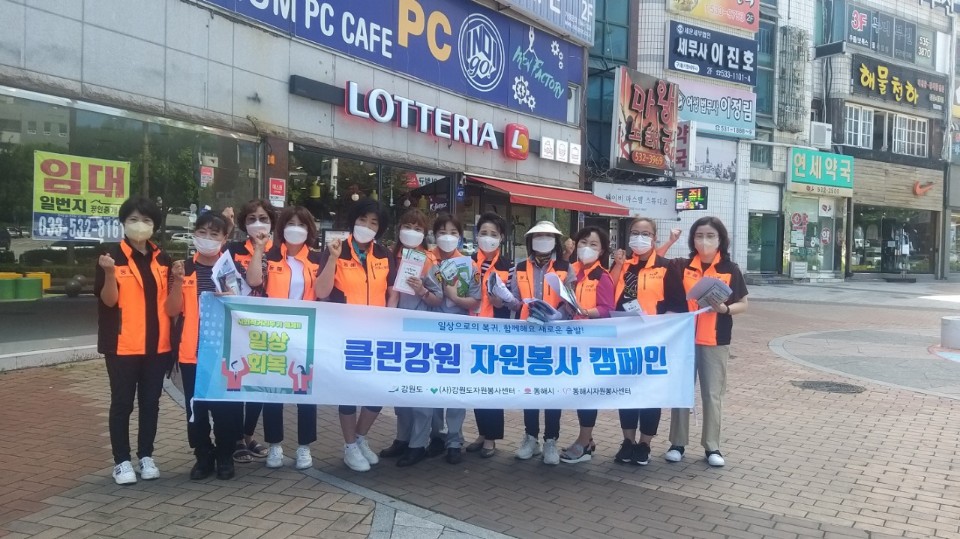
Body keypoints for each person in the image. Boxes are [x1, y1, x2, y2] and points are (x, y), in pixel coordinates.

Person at [315, 199, 397, 472]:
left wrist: (389, 320)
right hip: (346, 335)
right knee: (348, 392)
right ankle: (350, 445)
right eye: (363, 220)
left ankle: (360, 437)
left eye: (374, 222)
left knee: (377, 392)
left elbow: (392, 293)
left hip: (378, 335)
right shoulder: (336, 250)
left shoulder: (384, 254)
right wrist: (333, 258)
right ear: (353, 221)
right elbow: (322, 292)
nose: (367, 226)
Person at [95, 197, 171, 485]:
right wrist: (109, 273)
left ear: (155, 226)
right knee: (122, 403)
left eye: (147, 220)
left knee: (151, 403)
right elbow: (108, 301)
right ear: (123, 222)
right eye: (134, 219)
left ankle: (146, 456)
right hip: (122, 345)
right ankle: (122, 461)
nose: (140, 225)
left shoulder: (162, 259)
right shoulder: (110, 256)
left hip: (156, 346)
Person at [663, 216, 748, 467]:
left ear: (721, 239)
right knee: (682, 391)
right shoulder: (682, 266)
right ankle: (677, 443)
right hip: (684, 339)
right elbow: (670, 296)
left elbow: (743, 304)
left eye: (710, 236)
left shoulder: (730, 269)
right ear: (692, 239)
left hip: (716, 339)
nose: (704, 241)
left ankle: (712, 446)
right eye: (699, 236)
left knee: (712, 394)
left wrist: (724, 309)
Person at [166, 212, 243, 480]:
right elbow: (172, 310)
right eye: (202, 232)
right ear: (194, 234)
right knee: (196, 409)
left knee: (224, 409)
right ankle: (203, 455)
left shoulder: (230, 268)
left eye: (214, 234)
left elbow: (243, 310)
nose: (207, 238)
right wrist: (177, 281)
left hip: (224, 353)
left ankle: (225, 456)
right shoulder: (182, 269)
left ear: (224, 238)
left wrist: (232, 298)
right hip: (192, 353)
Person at [246, 206, 322, 470]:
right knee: (273, 391)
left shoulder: (317, 259)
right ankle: (275, 445)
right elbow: (254, 282)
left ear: (309, 230)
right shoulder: (270, 256)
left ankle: (304, 447)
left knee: (305, 392)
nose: (295, 229)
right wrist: (258, 250)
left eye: (301, 224)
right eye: (290, 223)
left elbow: (324, 293)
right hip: (273, 334)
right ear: (281, 228)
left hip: (305, 334)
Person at [501, 220, 576, 465]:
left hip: (555, 336)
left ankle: (551, 440)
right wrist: (503, 296)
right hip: (527, 334)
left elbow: (571, 302)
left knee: (553, 390)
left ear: (555, 241)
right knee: (530, 389)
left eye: (548, 236)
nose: (543, 240)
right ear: (530, 240)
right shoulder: (520, 267)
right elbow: (515, 302)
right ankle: (530, 437)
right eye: (538, 236)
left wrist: (558, 315)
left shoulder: (566, 267)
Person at [609, 217, 675, 466]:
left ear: (654, 237)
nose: (640, 237)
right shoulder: (624, 265)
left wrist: (661, 327)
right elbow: (611, 297)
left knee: (649, 392)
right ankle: (627, 441)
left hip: (655, 339)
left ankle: (645, 443)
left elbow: (676, 304)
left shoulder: (666, 267)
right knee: (627, 391)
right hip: (626, 336)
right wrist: (617, 266)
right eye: (635, 232)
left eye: (645, 233)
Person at [417, 214, 481, 465]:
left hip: (459, 333)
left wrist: (454, 298)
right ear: (434, 235)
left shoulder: (469, 265)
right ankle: (436, 436)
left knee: (456, 388)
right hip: (430, 332)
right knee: (433, 386)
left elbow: (475, 301)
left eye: (453, 232)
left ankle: (455, 439)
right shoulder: (425, 260)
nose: (447, 237)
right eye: (442, 232)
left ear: (460, 237)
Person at [380, 208, 439, 467]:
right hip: (393, 330)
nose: (411, 232)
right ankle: (402, 438)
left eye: (417, 228)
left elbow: (439, 299)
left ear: (424, 234)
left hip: (421, 333)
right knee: (400, 389)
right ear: (399, 229)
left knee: (420, 390)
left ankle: (419, 443)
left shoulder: (430, 260)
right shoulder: (388, 256)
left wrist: (422, 290)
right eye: (407, 226)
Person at [559, 226, 615, 464]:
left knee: (587, 393)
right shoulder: (572, 271)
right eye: (583, 243)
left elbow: (607, 309)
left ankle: (583, 443)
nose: (587, 248)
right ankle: (587, 440)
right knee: (579, 392)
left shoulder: (603, 276)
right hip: (573, 339)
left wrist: (585, 311)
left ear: (602, 250)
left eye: (593, 245)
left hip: (592, 342)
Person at [226, 199, 277, 463]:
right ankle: (235, 438)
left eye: (264, 218)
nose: (258, 223)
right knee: (237, 380)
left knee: (259, 383)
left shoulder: (279, 252)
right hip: (238, 327)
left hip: (269, 329)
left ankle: (247, 435)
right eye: (252, 219)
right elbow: (248, 281)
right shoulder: (233, 250)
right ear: (244, 224)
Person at [465, 212, 514, 458]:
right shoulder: (467, 262)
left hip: (496, 333)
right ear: (476, 236)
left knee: (492, 387)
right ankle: (482, 433)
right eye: (483, 233)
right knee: (476, 386)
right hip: (470, 331)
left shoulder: (509, 266)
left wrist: (501, 303)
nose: (488, 238)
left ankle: (491, 438)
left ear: (501, 237)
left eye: (493, 234)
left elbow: (515, 301)